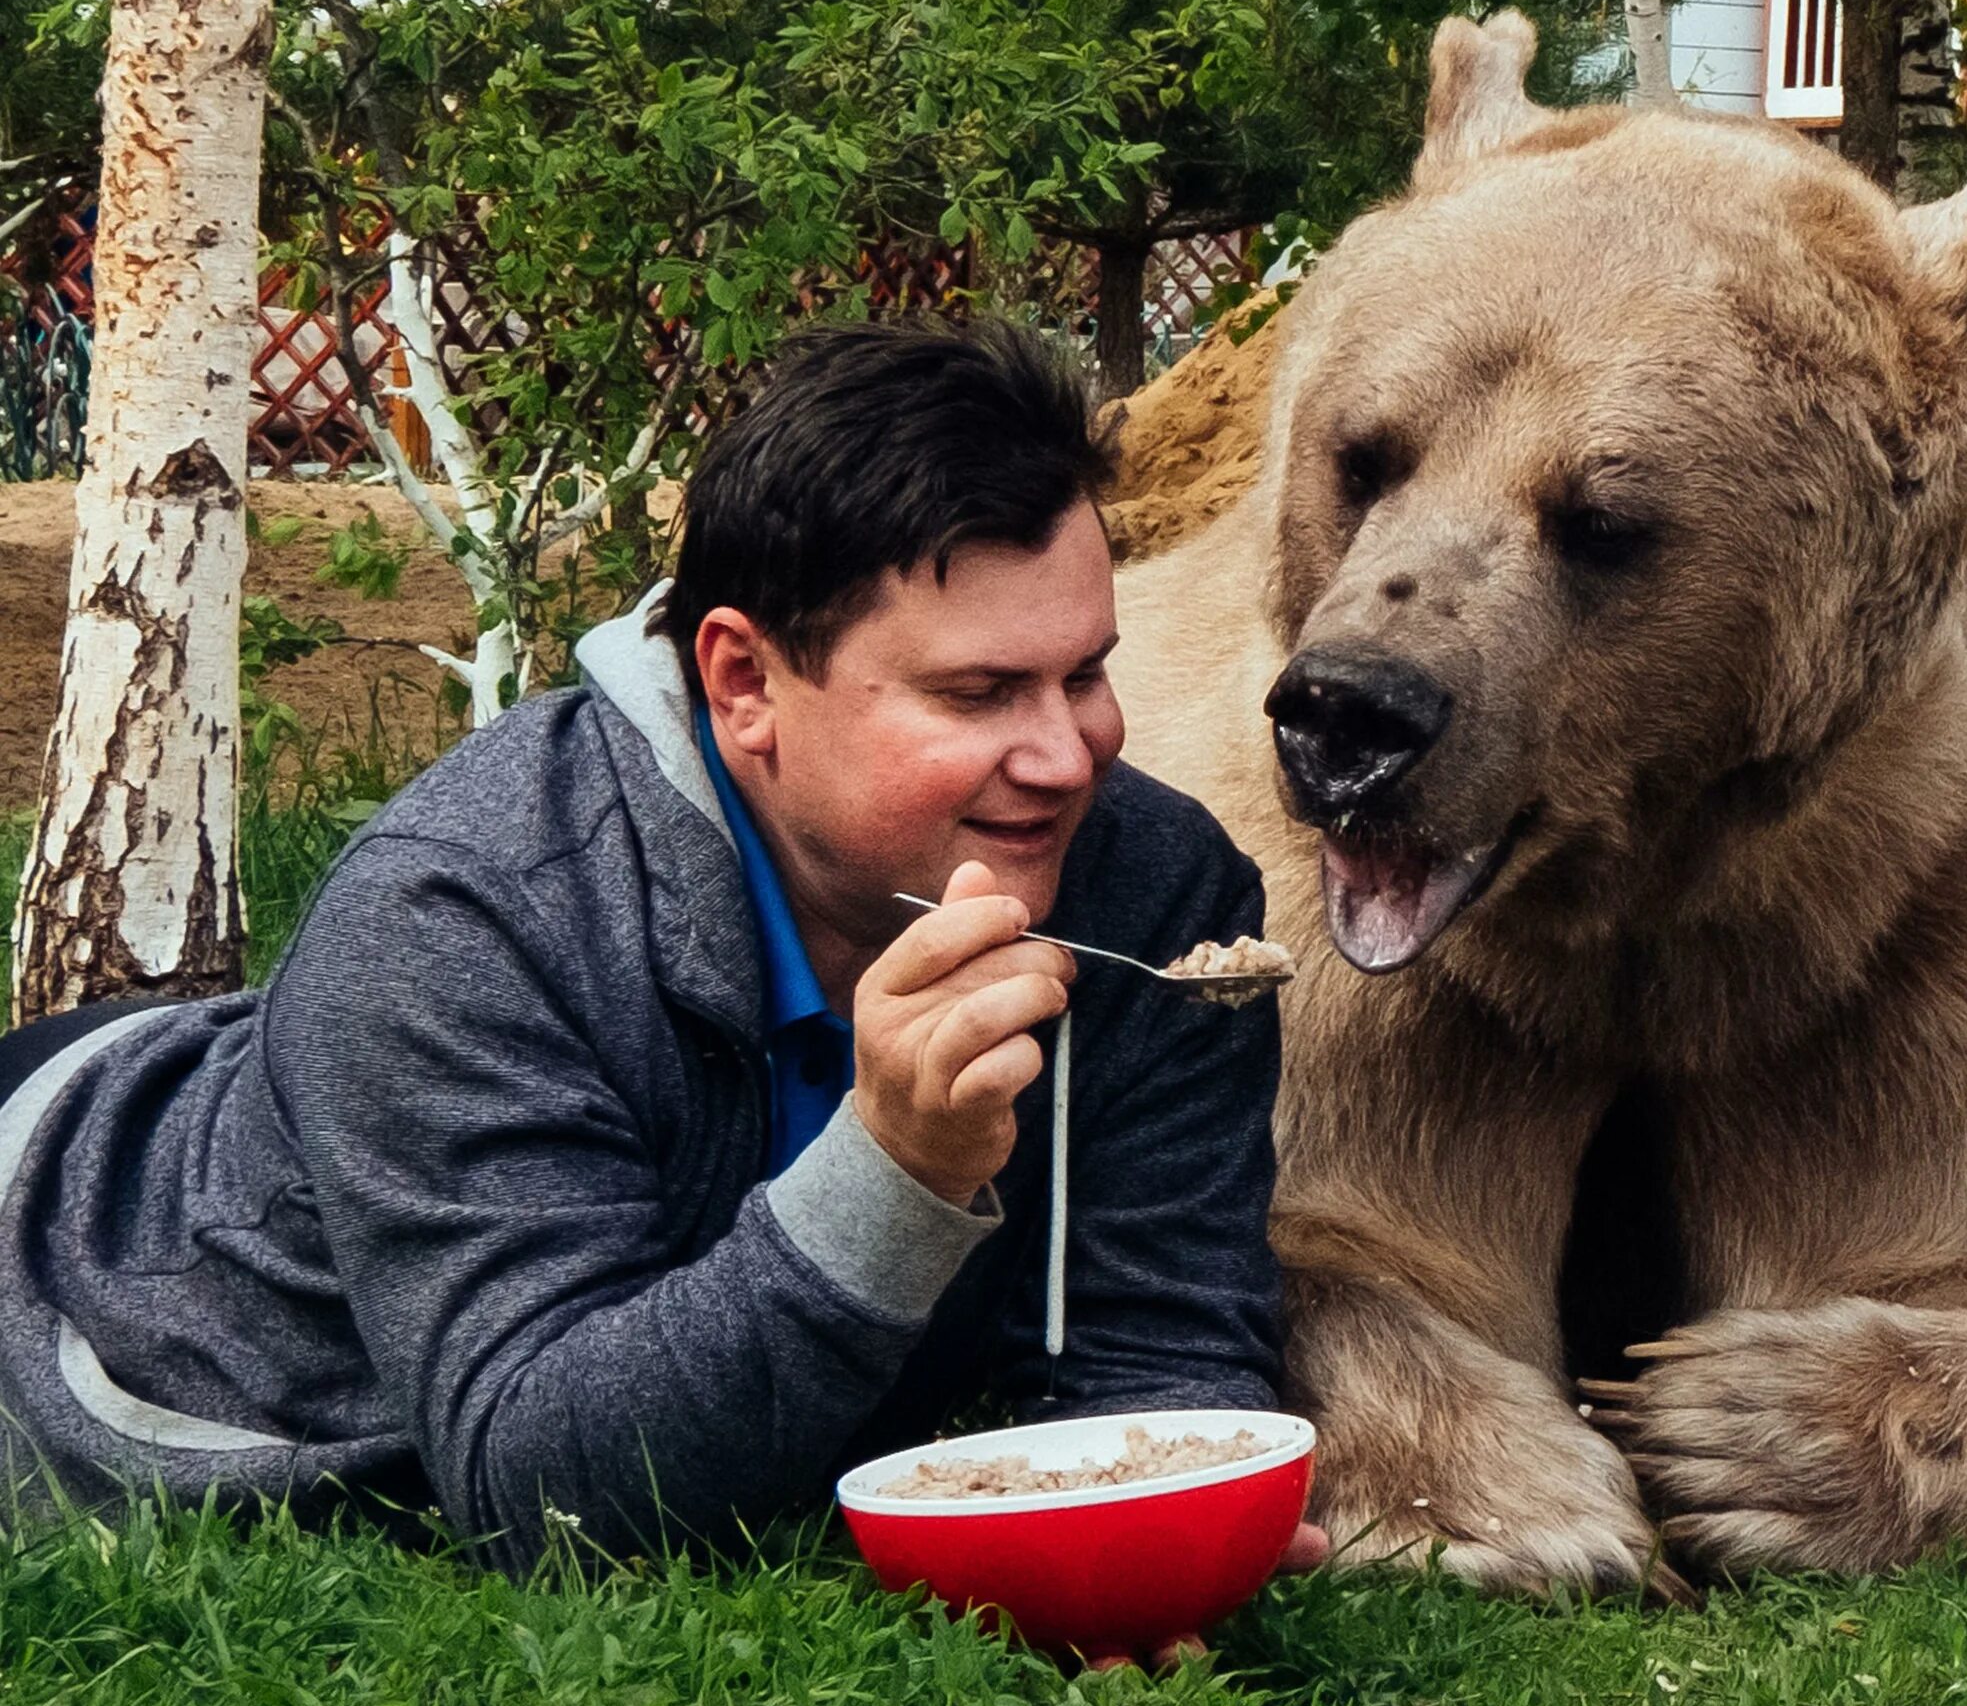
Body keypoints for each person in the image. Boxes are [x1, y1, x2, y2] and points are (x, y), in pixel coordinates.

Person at [0, 322, 1317, 1623]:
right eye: (979, 694)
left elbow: (1160, 1362)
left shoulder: (1156, 895)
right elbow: (546, 1499)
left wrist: (1171, 1523)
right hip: (68, 1257)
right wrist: (899, 1171)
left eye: (1084, 672)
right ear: (744, 682)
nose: (1067, 754)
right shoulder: (464, 912)